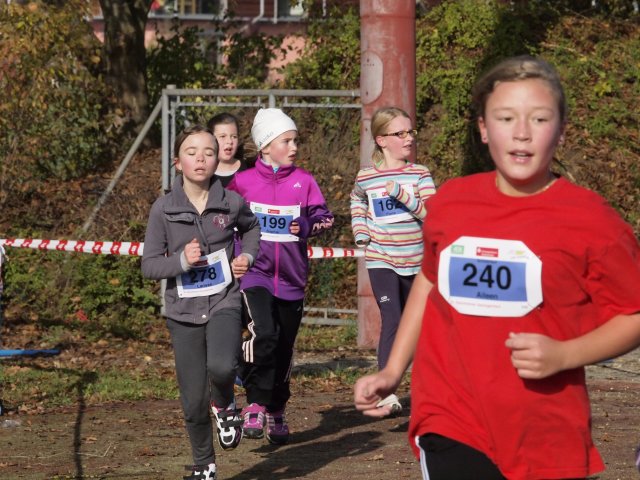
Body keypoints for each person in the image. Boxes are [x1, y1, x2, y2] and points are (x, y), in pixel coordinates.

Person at [353, 55, 640, 480]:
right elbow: (429, 282)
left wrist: (566, 354)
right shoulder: (452, 203)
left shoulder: (592, 219)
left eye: (539, 119)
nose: (522, 132)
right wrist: (393, 370)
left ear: (561, 129)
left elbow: (633, 315)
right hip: (450, 416)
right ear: (484, 129)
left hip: (545, 427)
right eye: (506, 118)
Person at [141, 124, 261, 480]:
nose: (201, 159)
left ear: (217, 160)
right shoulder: (163, 209)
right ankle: (204, 464)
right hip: (183, 312)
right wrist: (181, 261)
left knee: (222, 367)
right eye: (192, 152)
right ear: (178, 162)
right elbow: (149, 265)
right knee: (193, 400)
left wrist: (247, 257)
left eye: (209, 152)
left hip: (224, 300)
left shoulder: (231, 202)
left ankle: (223, 404)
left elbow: (252, 229)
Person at [227, 108, 334, 445]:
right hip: (254, 275)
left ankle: (276, 409)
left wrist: (307, 224)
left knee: (284, 348)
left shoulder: (305, 181)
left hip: (291, 279)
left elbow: (326, 217)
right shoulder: (242, 183)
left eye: (295, 140)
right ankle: (255, 404)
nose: (294, 147)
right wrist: (235, 255)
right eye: (286, 141)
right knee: (265, 334)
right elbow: (224, 221)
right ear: (265, 146)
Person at [350, 106, 436, 414]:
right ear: (382, 140)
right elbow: (357, 199)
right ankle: (386, 391)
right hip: (381, 258)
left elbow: (433, 215)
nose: (409, 138)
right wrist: (361, 230)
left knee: (422, 326)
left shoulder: (420, 174)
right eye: (400, 133)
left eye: (411, 132)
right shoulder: (366, 177)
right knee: (393, 319)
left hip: (416, 262)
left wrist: (404, 196)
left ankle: (429, 389)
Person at [206, 112, 248, 188]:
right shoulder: (204, 173)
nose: (229, 141)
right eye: (222, 136)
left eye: (234, 136)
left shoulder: (248, 169)